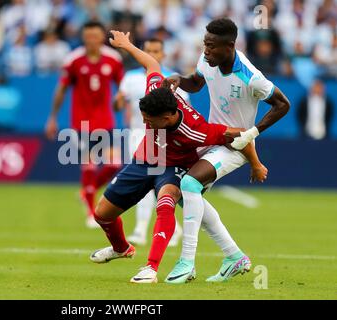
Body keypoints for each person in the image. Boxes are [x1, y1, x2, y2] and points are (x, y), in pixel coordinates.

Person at [90, 30, 265, 284]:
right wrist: (127, 44)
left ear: (168, 117)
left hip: (174, 167)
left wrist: (256, 163)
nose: (144, 121)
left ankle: (151, 268)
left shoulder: (197, 129)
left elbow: (240, 134)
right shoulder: (156, 91)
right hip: (145, 159)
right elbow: (152, 63)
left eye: (149, 120)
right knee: (102, 214)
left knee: (166, 201)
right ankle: (121, 249)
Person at [163, 18, 290, 283]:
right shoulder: (207, 60)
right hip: (211, 139)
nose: (206, 51)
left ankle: (186, 262)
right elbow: (196, 83)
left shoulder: (251, 77)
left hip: (235, 148)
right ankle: (234, 256)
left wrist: (251, 134)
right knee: (186, 194)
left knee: (189, 183)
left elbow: (282, 104)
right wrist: (179, 79)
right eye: (204, 44)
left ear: (230, 46)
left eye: (211, 46)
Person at [45, 21, 124, 228]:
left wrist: (121, 102)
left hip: (106, 120)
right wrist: (53, 117)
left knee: (113, 165)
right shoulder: (74, 60)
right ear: (83, 37)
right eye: (87, 36)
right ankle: (91, 212)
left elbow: (122, 88)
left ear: (101, 37)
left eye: (95, 36)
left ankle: (86, 192)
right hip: (82, 122)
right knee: (89, 166)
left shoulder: (113, 59)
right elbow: (61, 90)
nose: (91, 40)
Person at [113, 37, 187, 247]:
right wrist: (117, 102)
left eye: (156, 51)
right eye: (148, 50)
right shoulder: (130, 77)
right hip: (137, 133)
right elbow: (118, 104)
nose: (152, 55)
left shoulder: (172, 78)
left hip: (163, 137)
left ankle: (140, 228)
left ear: (163, 54)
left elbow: (181, 111)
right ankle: (173, 228)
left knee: (155, 181)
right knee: (149, 181)